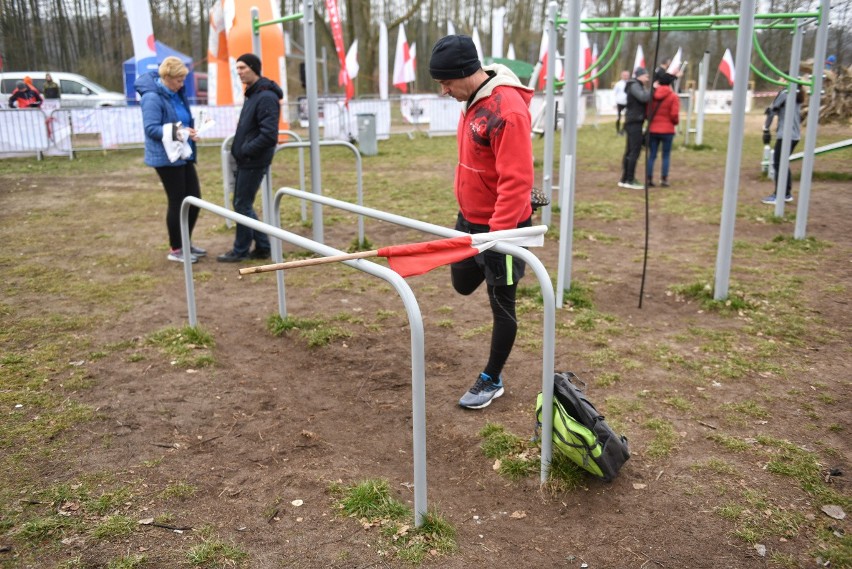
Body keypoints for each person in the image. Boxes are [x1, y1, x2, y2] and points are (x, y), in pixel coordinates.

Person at [429, 35, 534, 410]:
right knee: (460, 283)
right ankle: (482, 254)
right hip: (468, 219)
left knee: (501, 303)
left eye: (446, 83)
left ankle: (492, 378)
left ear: (463, 73)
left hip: (502, 228)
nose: (444, 91)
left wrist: (498, 236)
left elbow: (516, 179)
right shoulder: (472, 98)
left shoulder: (506, 110)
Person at [137, 56, 205, 264]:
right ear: (166, 77)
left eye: (183, 80)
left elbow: (183, 120)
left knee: (194, 200)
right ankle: (176, 248)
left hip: (184, 153)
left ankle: (186, 242)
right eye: (178, 80)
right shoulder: (152, 98)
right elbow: (151, 129)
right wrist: (179, 133)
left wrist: (189, 132)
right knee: (178, 201)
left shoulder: (177, 93)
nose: (181, 85)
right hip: (166, 158)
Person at [217, 53, 282, 262]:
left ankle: (241, 250)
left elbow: (269, 134)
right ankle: (262, 246)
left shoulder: (265, 97)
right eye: (237, 69)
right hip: (247, 159)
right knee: (242, 204)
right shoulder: (253, 94)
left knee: (242, 204)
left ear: (254, 67)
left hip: (254, 159)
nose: (239, 72)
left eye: (243, 68)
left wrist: (246, 149)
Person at [761, 84, 805, 205]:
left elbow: (771, 111)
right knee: (782, 163)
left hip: (786, 135)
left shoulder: (785, 93)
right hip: (795, 135)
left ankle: (778, 195)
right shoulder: (798, 93)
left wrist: (766, 129)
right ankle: (785, 193)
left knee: (778, 164)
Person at [618, 67, 652, 190]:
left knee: (629, 151)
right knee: (634, 151)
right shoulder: (635, 86)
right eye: (646, 76)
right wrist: (654, 89)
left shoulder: (633, 85)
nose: (647, 79)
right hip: (634, 122)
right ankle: (630, 179)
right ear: (640, 76)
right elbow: (643, 97)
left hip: (633, 121)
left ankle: (624, 178)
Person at [646, 73, 680, 187]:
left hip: (653, 129)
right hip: (667, 130)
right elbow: (674, 114)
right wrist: (674, 123)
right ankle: (664, 179)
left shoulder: (652, 95)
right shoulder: (673, 96)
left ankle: (649, 178)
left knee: (652, 155)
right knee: (666, 155)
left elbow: (648, 112)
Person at [613, 70, 629, 135]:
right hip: (619, 103)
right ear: (621, 76)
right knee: (618, 117)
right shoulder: (618, 84)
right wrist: (614, 103)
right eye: (624, 75)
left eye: (627, 75)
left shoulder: (630, 83)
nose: (626, 76)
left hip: (627, 103)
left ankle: (624, 130)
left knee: (627, 117)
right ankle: (618, 131)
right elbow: (614, 93)